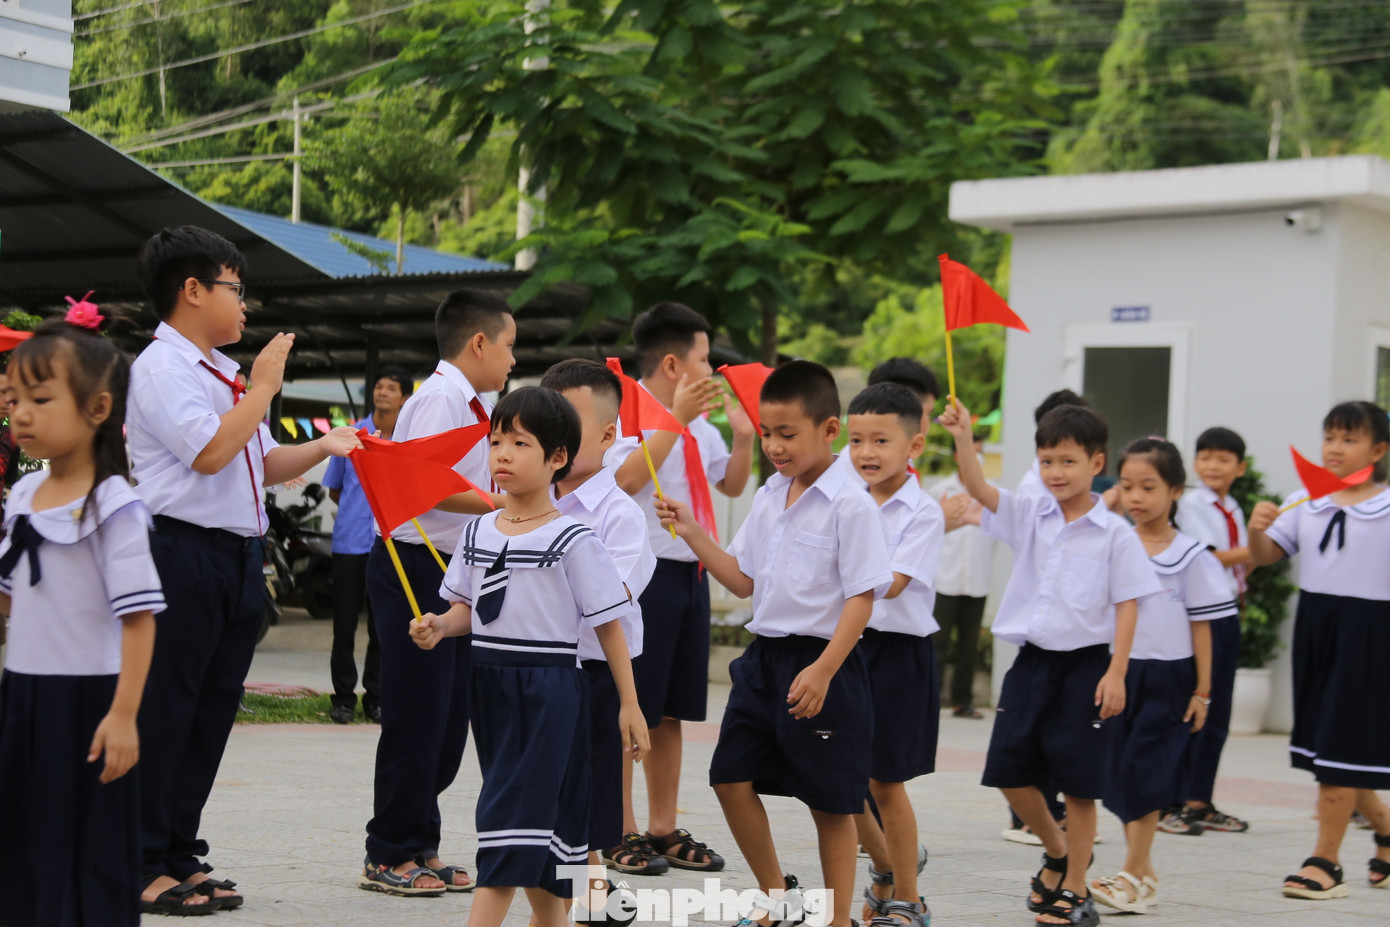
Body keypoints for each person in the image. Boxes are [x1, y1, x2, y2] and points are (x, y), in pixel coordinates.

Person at [127, 226, 362, 913]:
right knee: (167, 711)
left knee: (208, 713)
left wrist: (325, 443)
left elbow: (258, 462)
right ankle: (140, 858)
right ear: (193, 290)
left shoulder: (217, 373)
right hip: (179, 551)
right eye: (236, 288)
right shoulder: (163, 368)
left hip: (233, 555)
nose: (245, 305)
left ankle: (178, 852)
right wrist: (261, 388)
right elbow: (207, 452)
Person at [657, 360, 893, 927]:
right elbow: (743, 579)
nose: (774, 446)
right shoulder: (769, 494)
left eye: (787, 434)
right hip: (763, 662)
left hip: (823, 665)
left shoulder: (851, 504)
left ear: (829, 430)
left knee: (832, 801)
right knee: (728, 777)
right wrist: (692, 533)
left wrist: (824, 670)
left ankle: (837, 918)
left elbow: (863, 597)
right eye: (767, 433)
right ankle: (777, 897)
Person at [409, 386, 649, 927]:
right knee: (539, 840)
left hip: (549, 691)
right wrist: (438, 626)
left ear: (557, 457)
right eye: (496, 441)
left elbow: (609, 624)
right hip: (490, 689)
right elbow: (468, 610)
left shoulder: (574, 538)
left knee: (506, 827)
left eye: (520, 443)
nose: (503, 454)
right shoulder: (476, 532)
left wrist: (628, 704)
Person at [938, 398, 1161, 927]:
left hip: (1088, 668)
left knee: (1079, 784)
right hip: (1032, 665)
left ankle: (1077, 889)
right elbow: (978, 488)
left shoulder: (1115, 535)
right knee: (1010, 772)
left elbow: (1128, 603)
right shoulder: (1028, 515)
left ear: (1096, 464)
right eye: (1046, 461)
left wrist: (1117, 671)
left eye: (1067, 461)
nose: (1055, 472)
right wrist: (965, 437)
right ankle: (1059, 852)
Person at [0, 314, 163, 925]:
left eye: (41, 400)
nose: (21, 414)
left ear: (98, 408)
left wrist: (123, 716)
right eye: (14, 398)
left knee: (89, 847)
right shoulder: (21, 496)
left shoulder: (114, 503)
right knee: (24, 838)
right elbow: (15, 597)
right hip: (23, 695)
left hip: (91, 704)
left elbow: (139, 619)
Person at [359, 289, 514, 896]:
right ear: (478, 342)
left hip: (455, 565)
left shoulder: (474, 402)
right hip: (414, 560)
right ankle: (388, 849)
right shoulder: (441, 397)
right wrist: (501, 504)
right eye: (508, 345)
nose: (510, 359)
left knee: (448, 720)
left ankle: (421, 841)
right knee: (417, 714)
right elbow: (418, 480)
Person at [603, 302, 754, 874]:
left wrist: (742, 439)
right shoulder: (624, 409)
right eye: (704, 357)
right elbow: (627, 480)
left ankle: (662, 826)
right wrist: (671, 417)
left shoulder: (699, 422)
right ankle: (618, 827)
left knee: (670, 712)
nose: (712, 369)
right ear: (672, 363)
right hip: (642, 578)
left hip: (688, 572)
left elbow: (730, 482)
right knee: (630, 706)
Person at [1247, 400, 1390, 900]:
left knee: (1339, 748)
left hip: (1370, 634)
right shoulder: (1303, 500)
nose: (1334, 448)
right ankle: (1388, 835)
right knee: (1335, 748)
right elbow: (1264, 557)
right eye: (1329, 437)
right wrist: (1256, 527)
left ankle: (1324, 861)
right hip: (1317, 629)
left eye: (1349, 439)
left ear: (1378, 450)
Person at [1090, 438, 1232, 914]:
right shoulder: (1109, 541)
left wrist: (1203, 692)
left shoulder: (1192, 555)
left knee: (1145, 772)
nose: (1135, 497)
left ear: (1174, 491)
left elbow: (1203, 627)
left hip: (1168, 677)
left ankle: (1130, 874)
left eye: (1148, 487)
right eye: (1127, 485)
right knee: (1117, 774)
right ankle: (1144, 872)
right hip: (1116, 672)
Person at [538, 359, 660, 888]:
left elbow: (607, 602)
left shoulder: (621, 517)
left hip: (594, 675)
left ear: (610, 434)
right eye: (548, 426)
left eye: (572, 425)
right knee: (544, 800)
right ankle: (573, 893)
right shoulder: (529, 506)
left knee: (587, 808)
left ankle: (592, 893)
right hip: (538, 671)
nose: (557, 440)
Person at [845, 382, 944, 927]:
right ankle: (886, 869)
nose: (866, 453)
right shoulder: (841, 497)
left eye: (881, 440)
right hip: (846, 647)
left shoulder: (922, 512)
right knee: (842, 776)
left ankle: (907, 895)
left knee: (885, 781)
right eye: (856, 440)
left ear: (915, 445)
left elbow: (895, 582)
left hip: (898, 654)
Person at [1163, 426, 1254, 835]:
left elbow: (1239, 567)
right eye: (1205, 457)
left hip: (1228, 613)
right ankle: (1169, 801)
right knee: (1191, 705)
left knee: (1218, 712)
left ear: (1240, 467)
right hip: (1200, 617)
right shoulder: (1194, 503)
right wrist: (1265, 548)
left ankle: (1200, 800)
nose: (1212, 466)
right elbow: (1210, 559)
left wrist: (1252, 559)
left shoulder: (1232, 507)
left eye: (1223, 459)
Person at [322, 366, 414, 725]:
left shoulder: (406, 440)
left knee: (383, 626)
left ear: (405, 397)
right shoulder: (350, 435)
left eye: (392, 388)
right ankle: (343, 699)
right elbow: (335, 488)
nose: (383, 393)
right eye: (379, 386)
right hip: (349, 543)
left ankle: (376, 698)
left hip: (390, 542)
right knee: (343, 625)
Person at [929, 430, 997, 720]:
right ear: (959, 455)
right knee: (937, 644)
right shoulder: (940, 491)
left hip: (977, 581)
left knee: (969, 645)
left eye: (980, 451)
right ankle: (930, 700)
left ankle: (962, 702)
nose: (976, 456)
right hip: (946, 580)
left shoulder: (992, 492)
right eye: (971, 450)